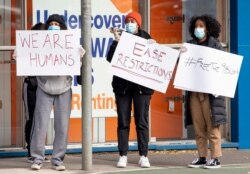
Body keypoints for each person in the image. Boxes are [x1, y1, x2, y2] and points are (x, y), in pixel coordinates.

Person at [30, 14, 85, 171]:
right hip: (44, 86)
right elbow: (30, 59)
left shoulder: (71, 44)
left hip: (64, 88)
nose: (54, 26)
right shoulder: (39, 44)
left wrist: (79, 58)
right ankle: (37, 158)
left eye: (57, 24)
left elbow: (77, 68)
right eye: (51, 23)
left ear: (62, 27)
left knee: (62, 126)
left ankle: (58, 160)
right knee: (40, 124)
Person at [106, 11, 155, 168]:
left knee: (142, 121)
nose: (130, 23)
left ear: (139, 24)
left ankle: (143, 155)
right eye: (127, 21)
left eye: (133, 21)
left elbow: (155, 61)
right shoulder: (120, 39)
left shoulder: (148, 39)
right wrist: (116, 42)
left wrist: (155, 49)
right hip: (123, 88)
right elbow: (110, 58)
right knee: (123, 121)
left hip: (142, 88)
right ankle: (123, 155)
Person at [184, 14, 227, 169]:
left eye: (201, 26)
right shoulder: (189, 46)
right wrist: (180, 55)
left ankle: (215, 158)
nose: (198, 29)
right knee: (198, 126)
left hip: (210, 94)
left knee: (212, 126)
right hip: (194, 93)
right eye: (196, 26)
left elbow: (224, 67)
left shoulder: (216, 46)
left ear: (208, 29)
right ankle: (202, 157)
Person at [21, 22, 51, 164]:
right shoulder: (27, 47)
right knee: (31, 119)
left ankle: (39, 152)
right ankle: (31, 152)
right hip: (31, 86)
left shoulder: (50, 48)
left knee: (41, 119)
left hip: (44, 86)